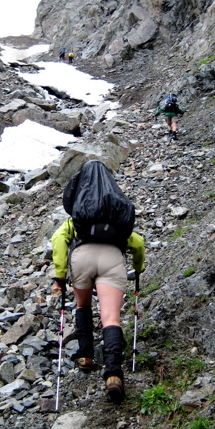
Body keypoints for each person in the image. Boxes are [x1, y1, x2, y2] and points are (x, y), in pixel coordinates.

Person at [51, 160, 145, 403]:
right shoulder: (116, 214)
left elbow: (59, 240)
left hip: (82, 258)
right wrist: (138, 267)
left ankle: (85, 356)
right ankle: (113, 374)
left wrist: (60, 276)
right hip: (112, 259)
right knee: (111, 318)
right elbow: (137, 243)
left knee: (83, 305)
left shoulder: (79, 214)